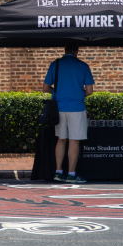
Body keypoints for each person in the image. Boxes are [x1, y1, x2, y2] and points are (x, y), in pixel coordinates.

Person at [43, 42, 94, 184]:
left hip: (59, 108)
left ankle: (58, 172)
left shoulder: (55, 64)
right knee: (74, 141)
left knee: (61, 139)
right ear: (77, 51)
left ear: (64, 50)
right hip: (77, 108)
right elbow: (89, 91)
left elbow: (45, 87)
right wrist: (77, 94)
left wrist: (58, 92)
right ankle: (71, 174)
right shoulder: (83, 66)